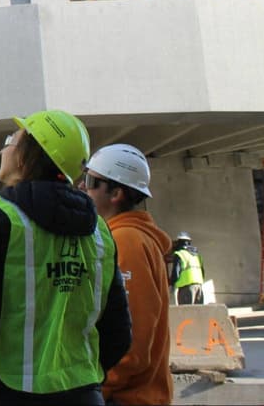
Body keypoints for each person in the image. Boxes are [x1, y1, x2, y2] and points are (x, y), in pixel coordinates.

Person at [0, 109, 132, 405]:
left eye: (11, 140)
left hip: (5, 393)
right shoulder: (101, 233)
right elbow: (118, 331)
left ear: (27, 155)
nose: (3, 148)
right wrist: (86, 379)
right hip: (82, 393)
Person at [80, 144, 173, 406]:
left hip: (126, 397)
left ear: (116, 193)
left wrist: (99, 387)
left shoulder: (126, 240)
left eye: (90, 181)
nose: (82, 187)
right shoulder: (126, 237)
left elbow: (133, 337)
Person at [170, 232, 205, 304]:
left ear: (179, 242)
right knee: (198, 312)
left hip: (186, 289)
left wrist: (171, 283)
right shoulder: (196, 255)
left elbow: (176, 272)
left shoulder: (180, 254)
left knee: (186, 312)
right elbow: (203, 272)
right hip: (199, 287)